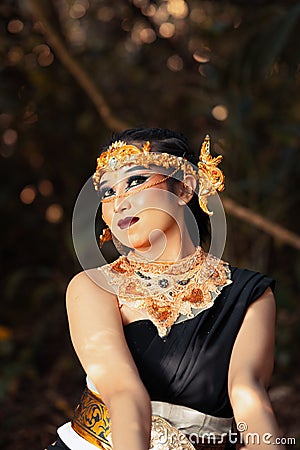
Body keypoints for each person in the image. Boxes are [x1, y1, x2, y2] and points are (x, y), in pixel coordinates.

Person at [47, 128, 284, 450]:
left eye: (135, 181)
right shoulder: (94, 286)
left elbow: (249, 394)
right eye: (106, 191)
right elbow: (123, 392)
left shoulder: (249, 293)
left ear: (184, 188)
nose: (118, 203)